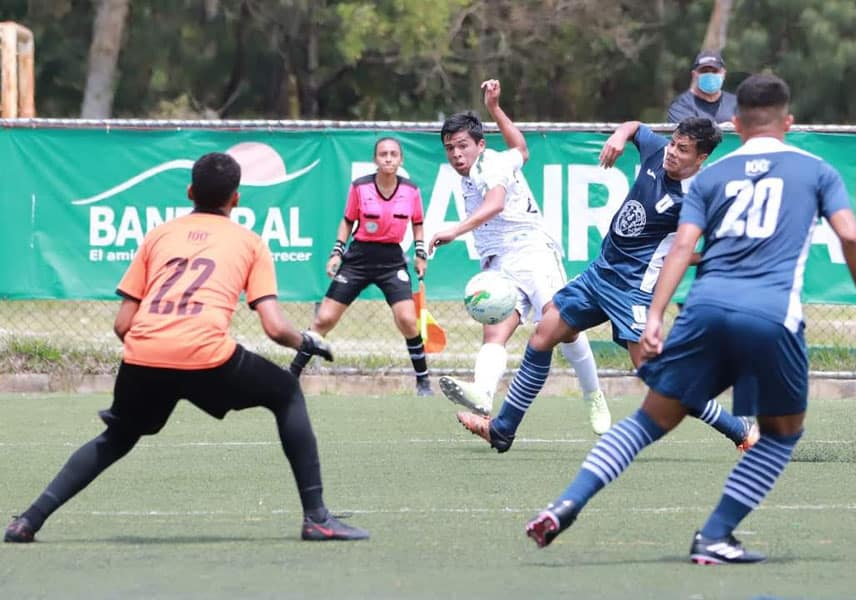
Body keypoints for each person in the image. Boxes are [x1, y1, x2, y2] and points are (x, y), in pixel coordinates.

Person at [524, 74, 856, 564]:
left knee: (649, 420)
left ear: (734, 124)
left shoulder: (712, 177)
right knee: (781, 434)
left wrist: (654, 316)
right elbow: (851, 237)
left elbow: (681, 250)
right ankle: (715, 535)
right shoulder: (816, 170)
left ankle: (566, 503)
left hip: (704, 310)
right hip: (771, 315)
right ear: (789, 122)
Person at [4, 153, 369, 543]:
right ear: (237, 199)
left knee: (117, 438)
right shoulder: (250, 242)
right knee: (286, 392)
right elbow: (276, 328)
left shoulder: (159, 235)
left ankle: (28, 520)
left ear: (190, 192)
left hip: (142, 354)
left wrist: (158, 357)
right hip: (206, 356)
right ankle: (316, 518)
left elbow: (122, 324)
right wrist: (307, 340)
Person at [456, 117, 758, 454]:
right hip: (600, 273)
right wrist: (619, 135)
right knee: (544, 335)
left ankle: (738, 428)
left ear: (700, 159)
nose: (672, 151)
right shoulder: (658, 152)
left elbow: (704, 246)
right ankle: (503, 429)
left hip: (632, 290)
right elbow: (636, 126)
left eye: (682, 149)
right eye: (673, 142)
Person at [428, 79, 608, 433]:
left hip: (532, 252)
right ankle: (482, 395)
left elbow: (494, 205)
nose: (456, 154)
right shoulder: (490, 163)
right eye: (449, 148)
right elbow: (522, 149)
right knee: (494, 334)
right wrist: (495, 108)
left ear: (480, 145)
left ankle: (594, 394)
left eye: (463, 145)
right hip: (498, 261)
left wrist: (454, 229)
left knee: (565, 330)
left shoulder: (489, 165)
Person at [288, 137, 434, 397]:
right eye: (382, 154)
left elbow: (418, 223)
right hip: (358, 258)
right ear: (375, 159)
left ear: (401, 160)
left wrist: (420, 254)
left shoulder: (411, 190)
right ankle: (290, 377)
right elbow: (347, 221)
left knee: (408, 320)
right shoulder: (360, 187)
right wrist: (337, 252)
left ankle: (423, 383)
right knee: (324, 319)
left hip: (391, 260)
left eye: (393, 154)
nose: (388, 158)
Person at [667, 50, 737, 124]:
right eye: (704, 71)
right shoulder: (680, 106)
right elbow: (687, 133)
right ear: (694, 75)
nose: (710, 75)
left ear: (724, 74)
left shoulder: (737, 104)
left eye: (715, 71)